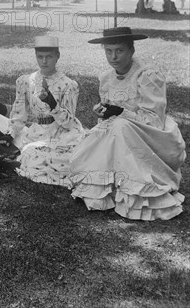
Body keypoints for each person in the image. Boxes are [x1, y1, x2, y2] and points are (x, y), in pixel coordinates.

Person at [69, 27, 186, 220]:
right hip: (118, 132)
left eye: (119, 50)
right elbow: (109, 114)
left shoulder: (147, 75)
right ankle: (110, 187)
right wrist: (105, 112)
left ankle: (137, 188)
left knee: (120, 125)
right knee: (102, 135)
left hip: (151, 135)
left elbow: (154, 120)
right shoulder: (106, 78)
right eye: (109, 51)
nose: (113, 57)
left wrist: (122, 112)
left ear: (131, 50)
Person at [6, 36, 85, 186]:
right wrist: (10, 133)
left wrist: (51, 103)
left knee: (67, 159)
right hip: (37, 131)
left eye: (49, 57)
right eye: (40, 57)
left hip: (62, 132)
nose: (44, 61)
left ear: (57, 56)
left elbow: (68, 122)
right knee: (31, 153)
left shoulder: (68, 85)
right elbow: (19, 114)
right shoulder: (26, 81)